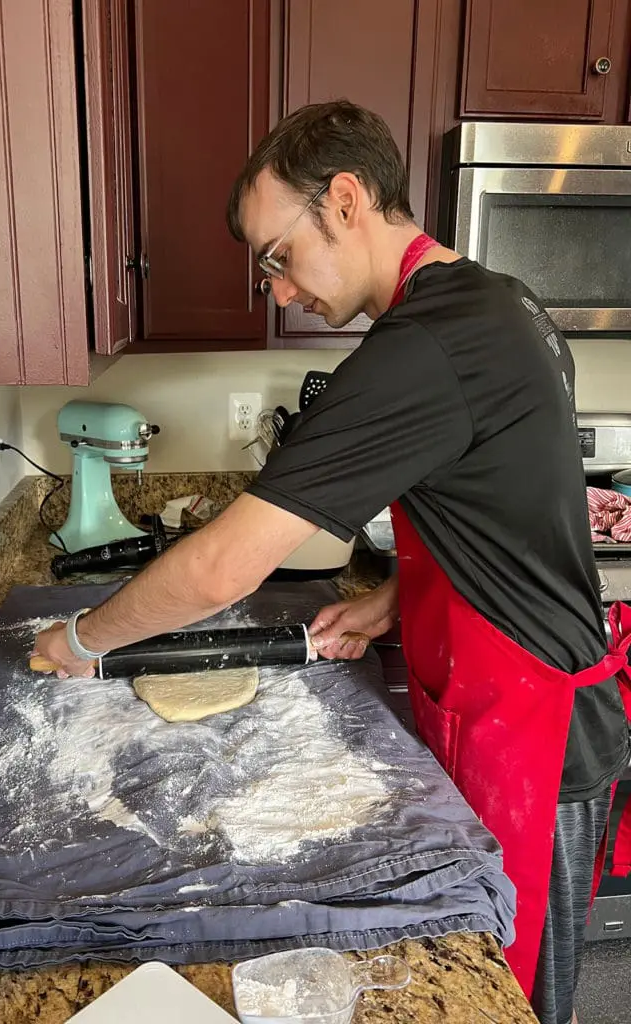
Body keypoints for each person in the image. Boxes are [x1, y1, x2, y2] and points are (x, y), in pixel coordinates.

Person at [34, 100, 631, 1024]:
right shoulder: (492, 299)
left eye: (277, 254)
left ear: (345, 199)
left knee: (505, 1003)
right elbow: (510, 506)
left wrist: (84, 638)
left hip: (535, 738)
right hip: (510, 695)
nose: (276, 289)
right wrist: (397, 594)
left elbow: (222, 567)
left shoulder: (423, 347)